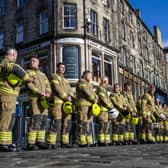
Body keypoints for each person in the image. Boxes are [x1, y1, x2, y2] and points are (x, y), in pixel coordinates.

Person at [0, 48, 30, 151]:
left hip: (11, 96)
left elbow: (14, 81)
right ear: (12, 55)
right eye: (15, 57)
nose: (15, 59)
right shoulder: (5, 63)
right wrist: (27, 78)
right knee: (6, 119)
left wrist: (22, 82)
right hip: (6, 96)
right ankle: (2, 144)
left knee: (10, 120)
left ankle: (6, 143)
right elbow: (15, 69)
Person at [26, 54, 51, 150]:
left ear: (38, 63)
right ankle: (31, 143)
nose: (32, 62)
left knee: (44, 120)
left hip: (43, 100)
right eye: (31, 61)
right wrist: (39, 92)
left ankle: (40, 141)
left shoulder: (43, 74)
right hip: (35, 99)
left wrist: (48, 92)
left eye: (34, 61)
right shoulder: (28, 72)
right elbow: (29, 85)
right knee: (35, 120)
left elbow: (48, 84)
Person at [47, 62, 74, 148]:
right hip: (58, 103)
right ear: (57, 68)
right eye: (61, 67)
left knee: (67, 123)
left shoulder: (66, 80)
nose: (63, 69)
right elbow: (57, 88)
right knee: (56, 122)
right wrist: (66, 97)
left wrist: (71, 95)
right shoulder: (54, 77)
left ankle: (64, 142)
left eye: (63, 68)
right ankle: (51, 142)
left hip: (66, 105)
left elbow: (70, 90)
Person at [76, 70, 98, 147]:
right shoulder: (82, 82)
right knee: (83, 123)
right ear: (85, 75)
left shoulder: (89, 84)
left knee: (88, 124)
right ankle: (82, 141)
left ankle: (89, 141)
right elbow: (87, 93)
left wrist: (96, 97)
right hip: (83, 106)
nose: (91, 77)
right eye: (89, 75)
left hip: (89, 106)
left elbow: (94, 93)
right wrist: (94, 99)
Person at [97, 76, 113, 146]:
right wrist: (111, 106)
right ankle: (101, 141)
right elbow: (104, 99)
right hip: (102, 111)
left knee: (106, 126)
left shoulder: (104, 90)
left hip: (106, 112)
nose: (108, 83)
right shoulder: (101, 89)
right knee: (102, 126)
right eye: (107, 82)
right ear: (104, 82)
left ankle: (106, 141)